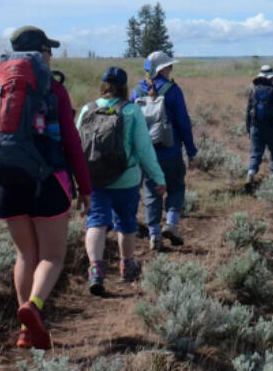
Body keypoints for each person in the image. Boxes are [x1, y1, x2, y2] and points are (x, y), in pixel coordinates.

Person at [0, 26, 92, 351]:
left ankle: (26, 331)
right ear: (40, 53)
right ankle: (34, 307)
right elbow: (71, 142)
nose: (51, 56)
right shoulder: (53, 91)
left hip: (4, 184)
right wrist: (85, 187)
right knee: (52, 256)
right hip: (47, 183)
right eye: (48, 50)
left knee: (25, 253)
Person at [76, 67, 166, 296]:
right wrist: (158, 177)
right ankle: (127, 265)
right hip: (126, 179)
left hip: (94, 178)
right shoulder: (132, 111)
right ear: (125, 87)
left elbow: (76, 148)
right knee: (126, 221)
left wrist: (75, 179)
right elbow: (144, 149)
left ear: (103, 85)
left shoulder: (88, 109)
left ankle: (95, 269)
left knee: (96, 220)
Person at [131, 51, 197, 250]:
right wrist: (191, 151)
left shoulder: (136, 91)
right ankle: (171, 223)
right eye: (169, 66)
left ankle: (154, 236)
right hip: (171, 152)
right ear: (163, 69)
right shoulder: (173, 90)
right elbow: (184, 123)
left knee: (152, 194)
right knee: (176, 188)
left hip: (146, 155)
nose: (171, 69)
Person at [245, 64, 273, 187]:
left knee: (255, 153)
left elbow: (248, 111)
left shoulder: (253, 90)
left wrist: (249, 128)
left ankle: (250, 174)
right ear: (271, 78)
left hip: (255, 126)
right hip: (272, 128)